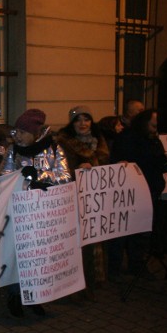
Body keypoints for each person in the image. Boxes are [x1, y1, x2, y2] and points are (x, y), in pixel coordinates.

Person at [0, 109, 71, 318]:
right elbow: (4, 178)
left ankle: (35, 296)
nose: (17, 135)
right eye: (16, 131)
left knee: (38, 257)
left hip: (43, 213)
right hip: (19, 211)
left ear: (34, 132)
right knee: (18, 255)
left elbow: (65, 177)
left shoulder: (54, 149)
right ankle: (14, 296)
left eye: (22, 131)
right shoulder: (13, 150)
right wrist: (17, 176)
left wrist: (40, 175)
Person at [107, 109, 167, 282]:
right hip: (129, 192)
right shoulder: (128, 138)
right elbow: (123, 161)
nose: (155, 129)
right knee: (121, 232)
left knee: (142, 231)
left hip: (150, 190)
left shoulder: (153, 139)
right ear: (144, 123)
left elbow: (159, 164)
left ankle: (136, 264)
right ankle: (114, 268)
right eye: (152, 125)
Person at [56, 106, 110, 300]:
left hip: (94, 200)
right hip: (73, 198)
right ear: (72, 124)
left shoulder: (100, 143)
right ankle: (75, 285)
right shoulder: (63, 144)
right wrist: (77, 169)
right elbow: (59, 170)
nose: (83, 123)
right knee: (77, 242)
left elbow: (106, 168)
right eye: (78, 120)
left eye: (86, 119)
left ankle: (92, 280)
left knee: (93, 239)